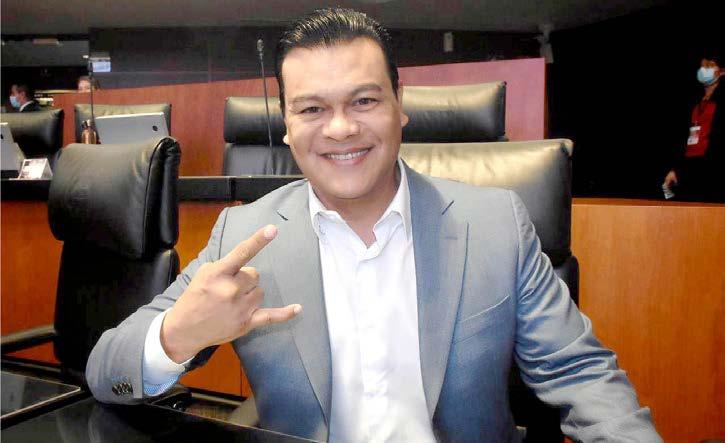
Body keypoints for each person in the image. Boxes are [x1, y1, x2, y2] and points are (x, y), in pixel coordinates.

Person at [86, 8, 662, 442]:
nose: (340, 129)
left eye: (363, 101)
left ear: (399, 104)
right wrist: (177, 336)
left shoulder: (495, 225)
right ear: (286, 123)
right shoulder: (243, 237)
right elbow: (105, 370)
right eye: (312, 109)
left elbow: (581, 373)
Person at [662, 54, 724, 202]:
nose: (704, 69)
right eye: (702, 66)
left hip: (712, 171)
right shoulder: (694, 102)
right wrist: (676, 169)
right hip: (689, 167)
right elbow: (683, 138)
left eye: (709, 65)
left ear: (721, 72)